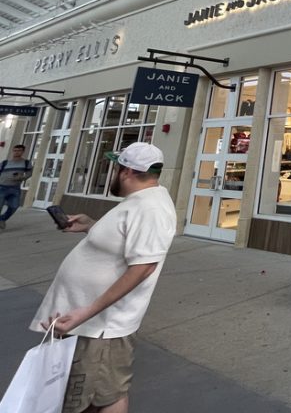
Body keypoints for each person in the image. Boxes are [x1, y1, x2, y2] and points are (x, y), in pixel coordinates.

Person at [31, 142, 177, 413]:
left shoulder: (151, 209)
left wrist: (86, 312)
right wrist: (92, 226)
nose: (112, 173)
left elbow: (143, 267)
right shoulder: (139, 202)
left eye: (115, 167)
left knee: (100, 398)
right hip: (87, 322)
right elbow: (128, 241)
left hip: (100, 327)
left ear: (126, 172)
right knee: (96, 394)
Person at [0, 144, 33, 230]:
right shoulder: (5, 162)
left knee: (14, 206)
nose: (16, 152)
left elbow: (29, 173)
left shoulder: (26, 163)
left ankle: (2, 219)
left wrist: (22, 177)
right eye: (15, 150)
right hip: (2, 187)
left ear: (23, 152)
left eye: (19, 151)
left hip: (15, 188)